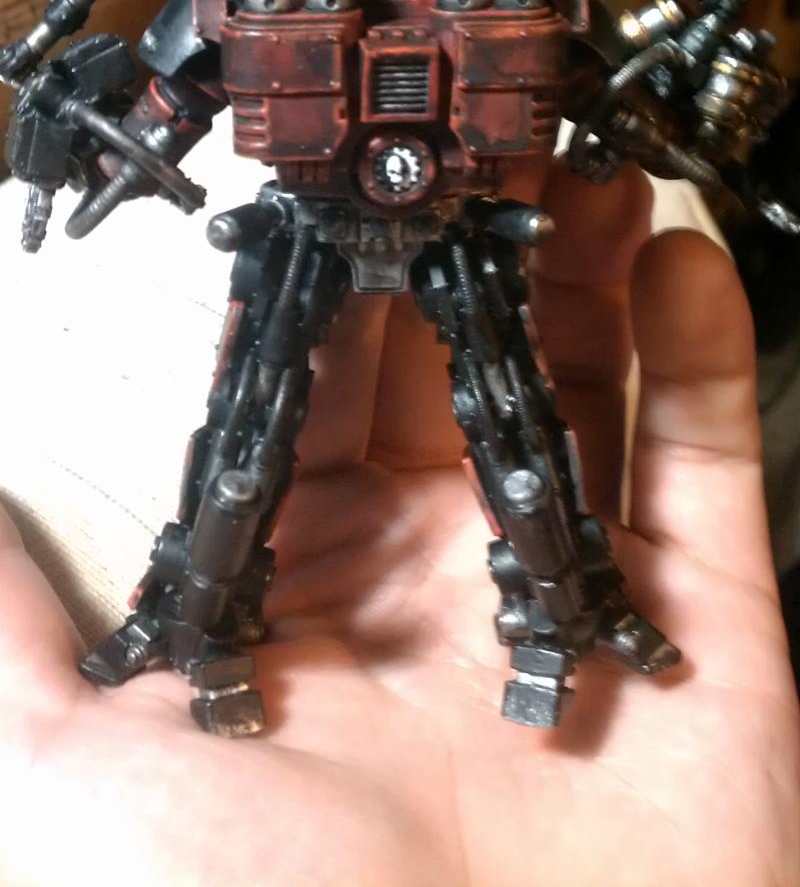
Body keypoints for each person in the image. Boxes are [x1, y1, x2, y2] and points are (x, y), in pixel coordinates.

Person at [0, 160, 797, 887]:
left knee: (511, 418)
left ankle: (573, 603)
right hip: (324, 211)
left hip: (444, 211)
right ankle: (191, 614)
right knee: (250, 426)